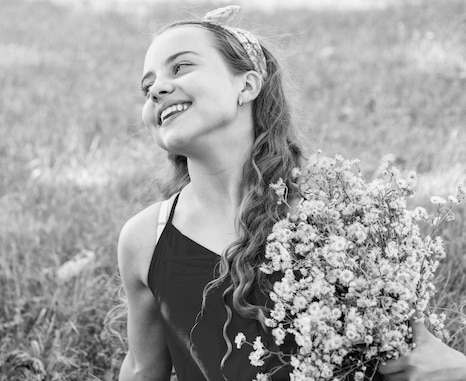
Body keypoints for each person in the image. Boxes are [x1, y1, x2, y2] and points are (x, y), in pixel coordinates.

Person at [115, 6, 466, 381]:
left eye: (181, 67)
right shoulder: (146, 240)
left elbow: (418, 358)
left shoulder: (336, 220)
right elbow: (141, 368)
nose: (156, 89)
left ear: (246, 85)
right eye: (146, 86)